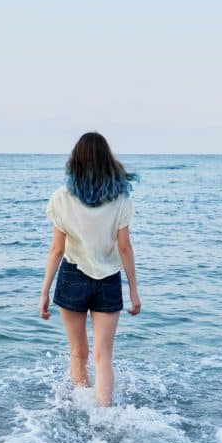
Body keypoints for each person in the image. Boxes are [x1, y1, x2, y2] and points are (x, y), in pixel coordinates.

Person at [39, 132, 141, 407]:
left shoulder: (61, 198)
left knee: (77, 352)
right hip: (108, 280)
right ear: (107, 161)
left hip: (72, 277)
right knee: (103, 356)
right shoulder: (120, 199)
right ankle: (105, 415)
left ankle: (83, 410)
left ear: (76, 162)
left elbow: (57, 250)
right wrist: (133, 291)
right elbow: (124, 248)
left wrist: (45, 290)